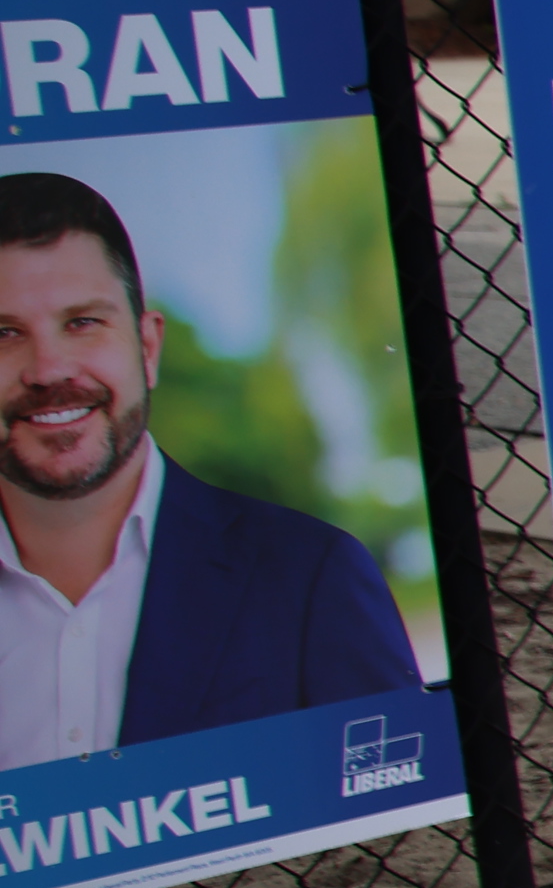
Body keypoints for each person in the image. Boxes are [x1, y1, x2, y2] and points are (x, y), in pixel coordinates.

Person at [0, 167, 420, 772]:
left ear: (147, 347)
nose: (47, 368)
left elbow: (394, 800)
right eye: (4, 332)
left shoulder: (310, 577)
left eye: (82, 323)